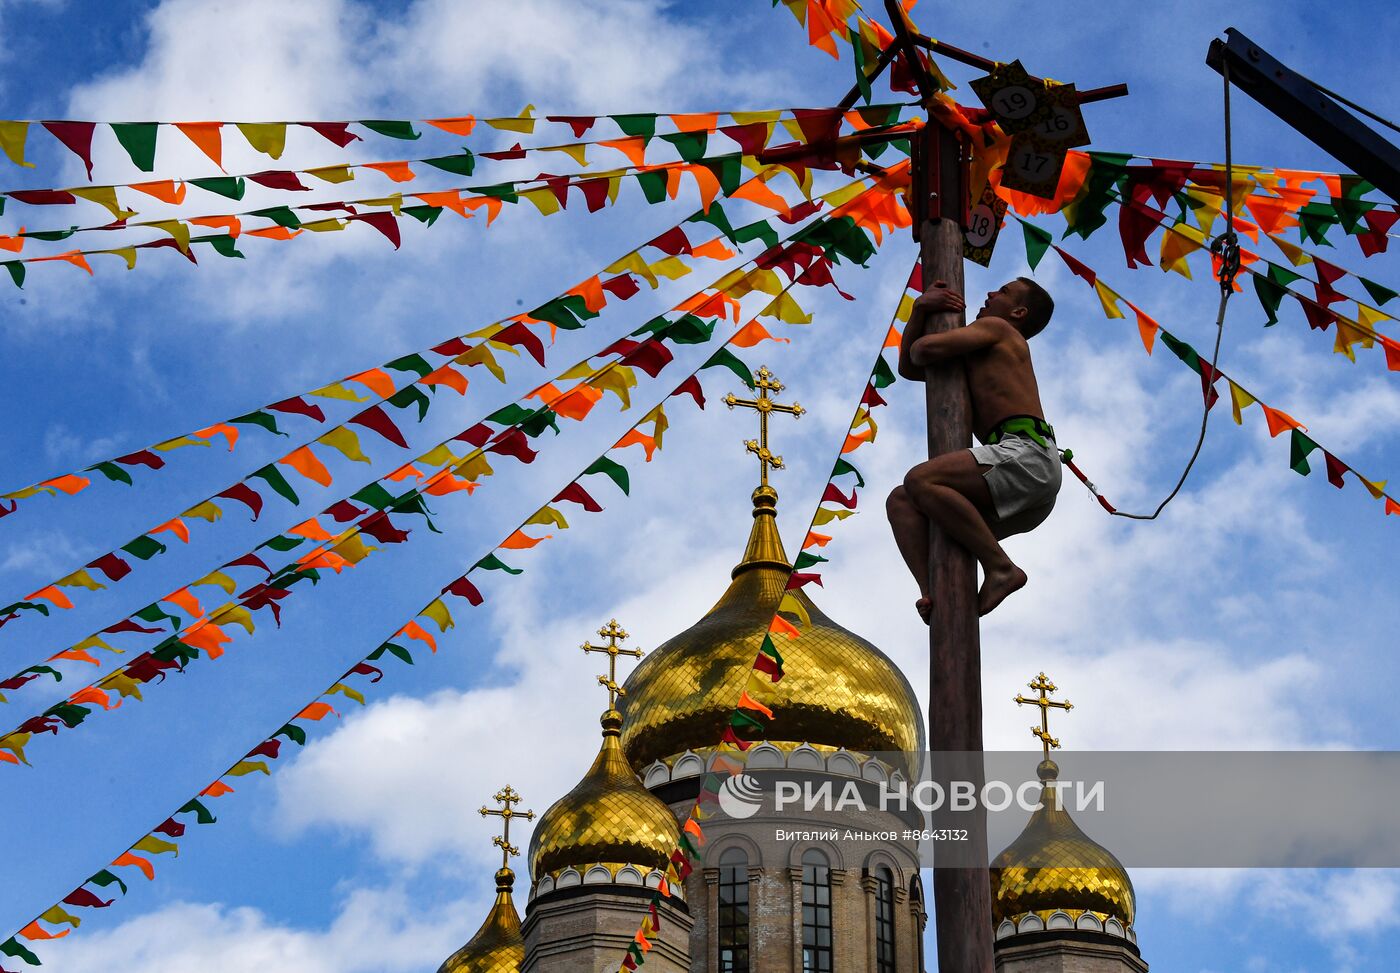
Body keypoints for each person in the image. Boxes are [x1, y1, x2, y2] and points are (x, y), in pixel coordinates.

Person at [886, 276, 1061, 620]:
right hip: (1018, 473)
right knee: (903, 501)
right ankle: (932, 591)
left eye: (1004, 292)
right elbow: (908, 366)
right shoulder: (974, 353)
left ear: (1018, 311)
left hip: (1026, 454)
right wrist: (920, 309)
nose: (991, 293)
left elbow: (922, 350)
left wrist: (924, 308)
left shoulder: (998, 329)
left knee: (922, 481)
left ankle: (1001, 569)